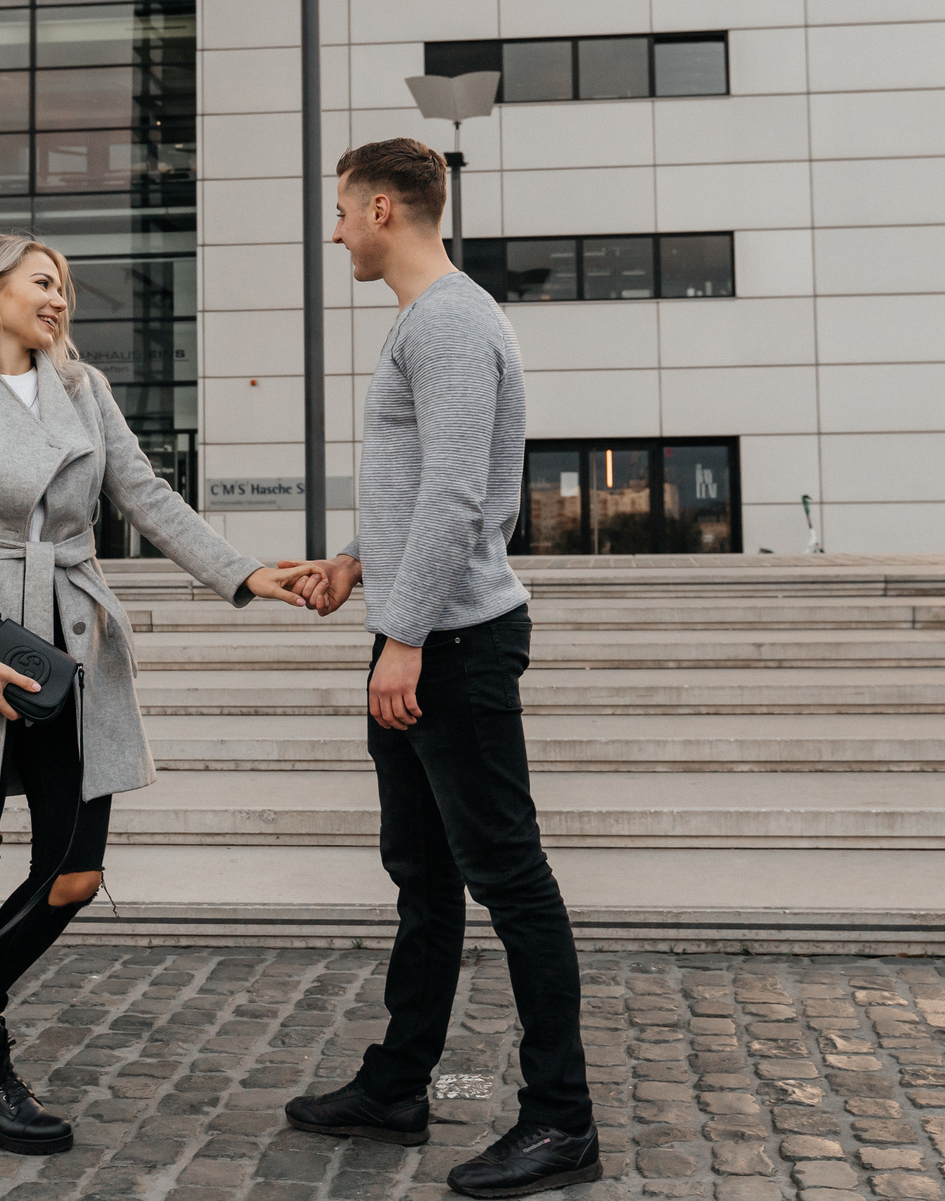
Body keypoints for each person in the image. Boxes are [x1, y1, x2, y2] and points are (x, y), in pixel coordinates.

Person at [0, 232, 315, 1155]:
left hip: (71, 642)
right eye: (43, 282)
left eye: (65, 287)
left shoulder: (85, 389)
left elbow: (146, 495)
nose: (59, 299)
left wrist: (244, 574)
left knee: (75, 868)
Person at [283, 139, 601, 1199]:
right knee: (423, 876)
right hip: (422, 629)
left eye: (340, 212)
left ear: (382, 206)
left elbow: (463, 495)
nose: (335, 233)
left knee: (509, 879)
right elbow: (424, 494)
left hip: (453, 644)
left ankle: (562, 1120)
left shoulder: (453, 323)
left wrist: (406, 635)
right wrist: (358, 565)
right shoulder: (429, 323)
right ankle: (395, 1083)